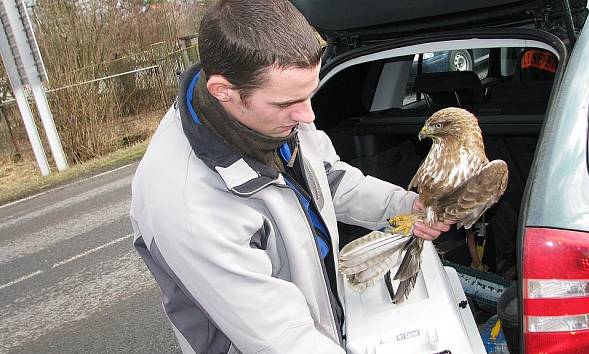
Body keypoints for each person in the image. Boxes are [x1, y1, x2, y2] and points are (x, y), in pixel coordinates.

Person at [130, 1, 451, 353]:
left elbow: (329, 180)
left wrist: (406, 206)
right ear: (224, 91)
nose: (308, 115)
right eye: (287, 104)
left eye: (309, 95)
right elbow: (284, 340)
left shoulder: (274, 112)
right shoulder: (189, 204)